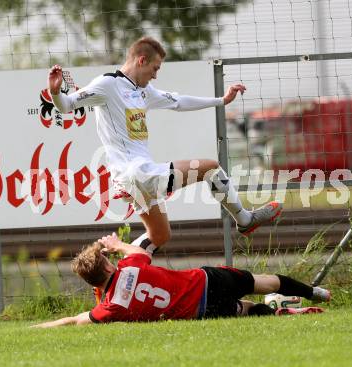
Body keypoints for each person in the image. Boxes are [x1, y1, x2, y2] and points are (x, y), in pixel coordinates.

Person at [48, 36, 282, 255]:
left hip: (134, 178)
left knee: (159, 235)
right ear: (141, 60)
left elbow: (178, 101)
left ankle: (115, 269)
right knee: (210, 168)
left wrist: (221, 101)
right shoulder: (107, 84)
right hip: (136, 174)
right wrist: (55, 92)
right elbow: (67, 105)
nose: (155, 75)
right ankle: (244, 220)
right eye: (155, 68)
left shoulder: (142, 90)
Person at [32, 233, 330, 328]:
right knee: (268, 282)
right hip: (206, 281)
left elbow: (73, 320)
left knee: (247, 309)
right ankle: (316, 292)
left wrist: (36, 326)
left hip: (201, 311)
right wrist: (117, 244)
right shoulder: (130, 267)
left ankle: (282, 312)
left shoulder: (110, 308)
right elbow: (138, 250)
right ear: (109, 266)